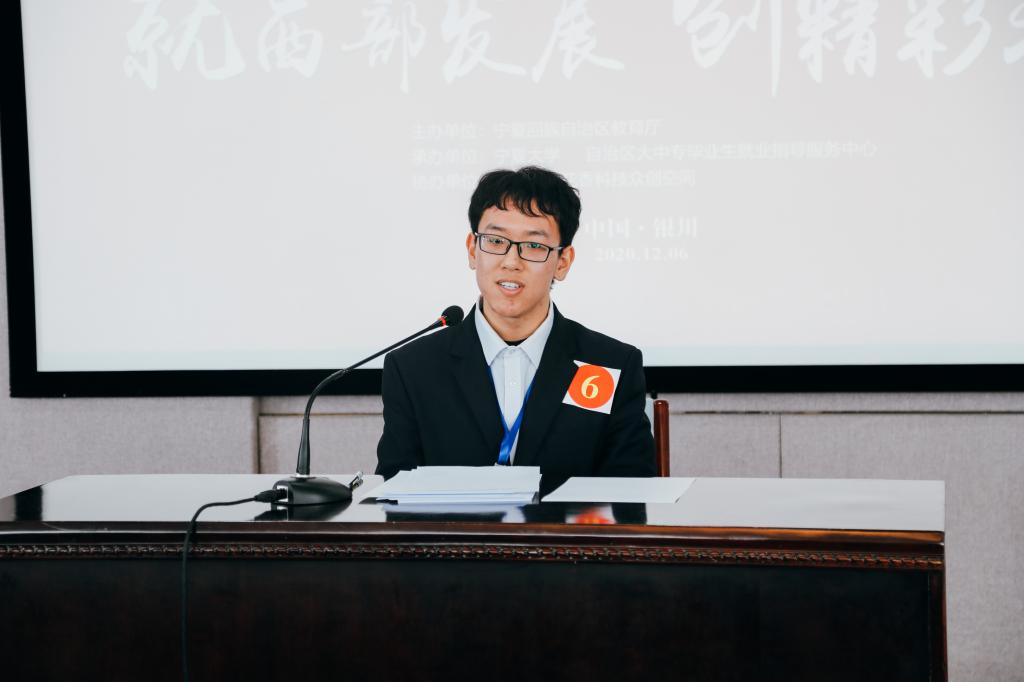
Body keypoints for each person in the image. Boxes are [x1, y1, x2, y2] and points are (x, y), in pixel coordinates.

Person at [375, 166, 655, 479]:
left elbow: (630, 491)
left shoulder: (610, 364)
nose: (511, 262)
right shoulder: (413, 369)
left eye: (534, 246)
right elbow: (394, 490)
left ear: (562, 262)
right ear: (472, 250)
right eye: (496, 241)